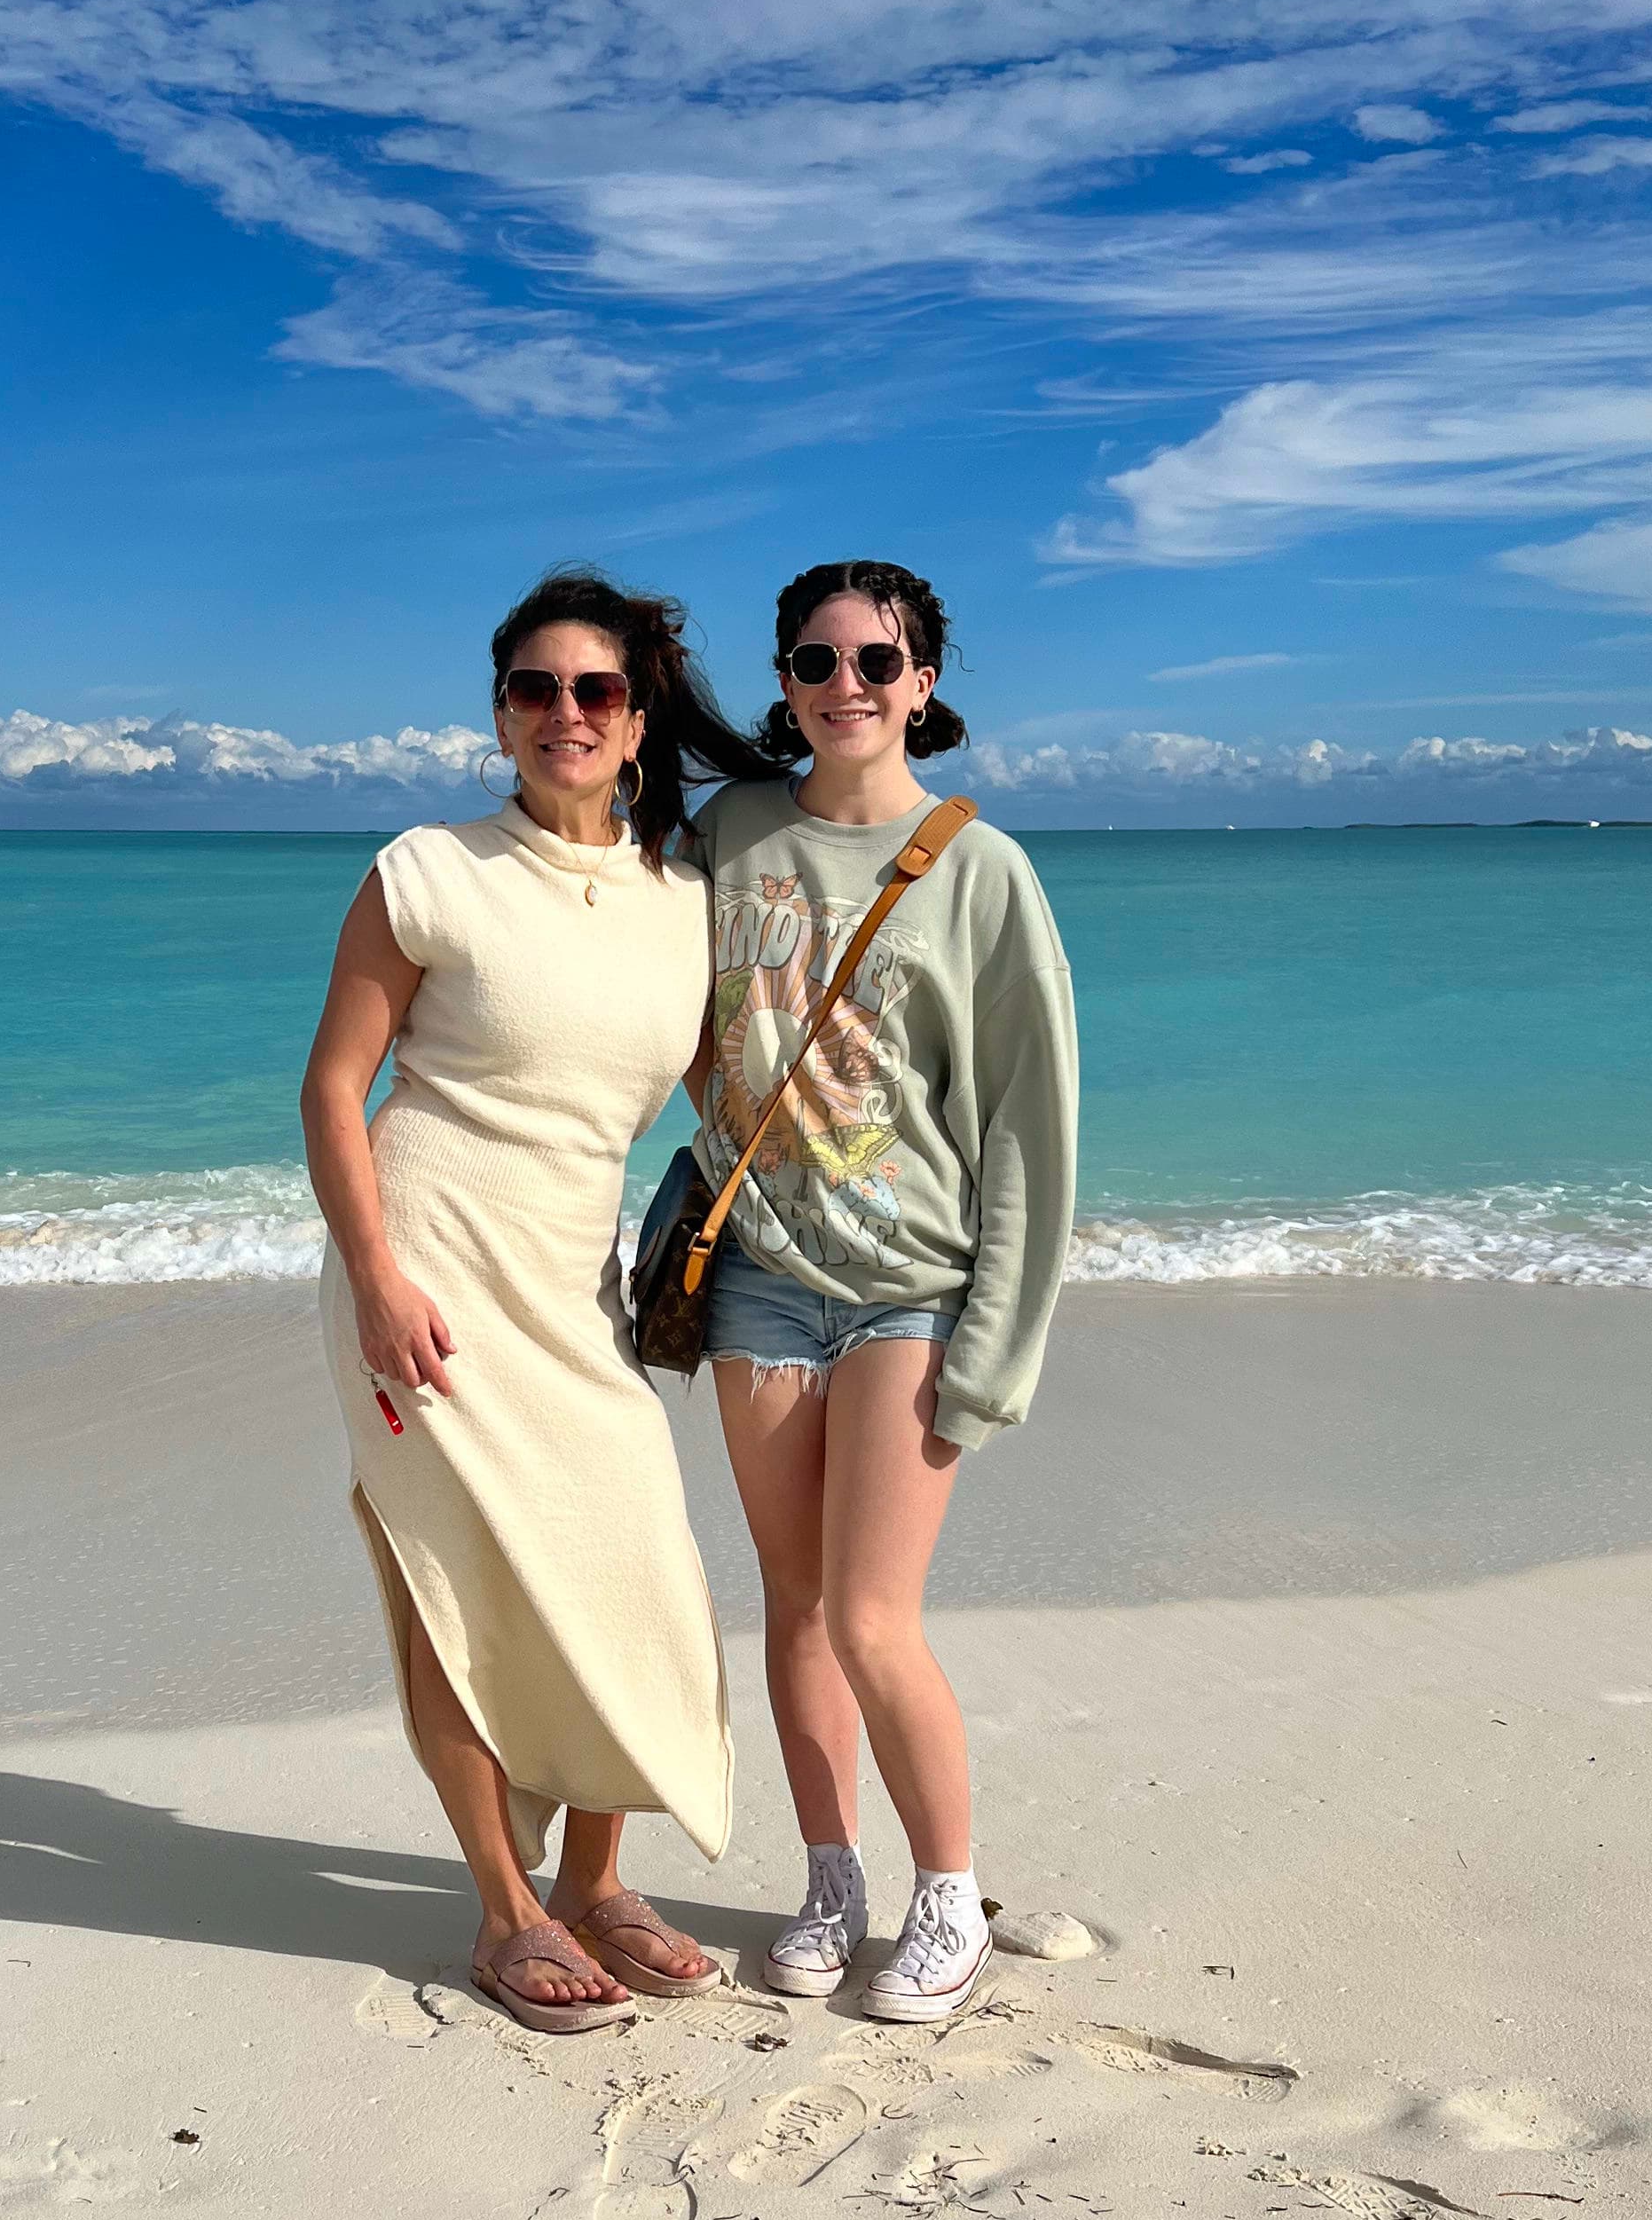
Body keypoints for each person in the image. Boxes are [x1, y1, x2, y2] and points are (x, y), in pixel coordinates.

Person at [301, 569, 768, 2032]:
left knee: (633, 1571)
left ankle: (596, 1883)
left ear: (637, 722)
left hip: (575, 1295)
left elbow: (742, 1096)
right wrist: (375, 1277)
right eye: (535, 688)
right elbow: (332, 1088)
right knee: (462, 1594)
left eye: (597, 690)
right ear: (500, 713)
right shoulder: (428, 872)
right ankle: (507, 1912)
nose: (566, 711)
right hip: (425, 1278)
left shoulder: (686, 905)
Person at [685, 559, 1077, 2023]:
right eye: (814, 660)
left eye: (874, 660)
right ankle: (831, 1880)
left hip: (912, 1288)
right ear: (784, 683)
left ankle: (949, 1897)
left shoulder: (980, 869)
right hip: (758, 1282)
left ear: (923, 682)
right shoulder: (727, 835)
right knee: (792, 1606)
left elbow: (1032, 1122)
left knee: (868, 1616)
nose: (844, 684)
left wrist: (999, 1349)